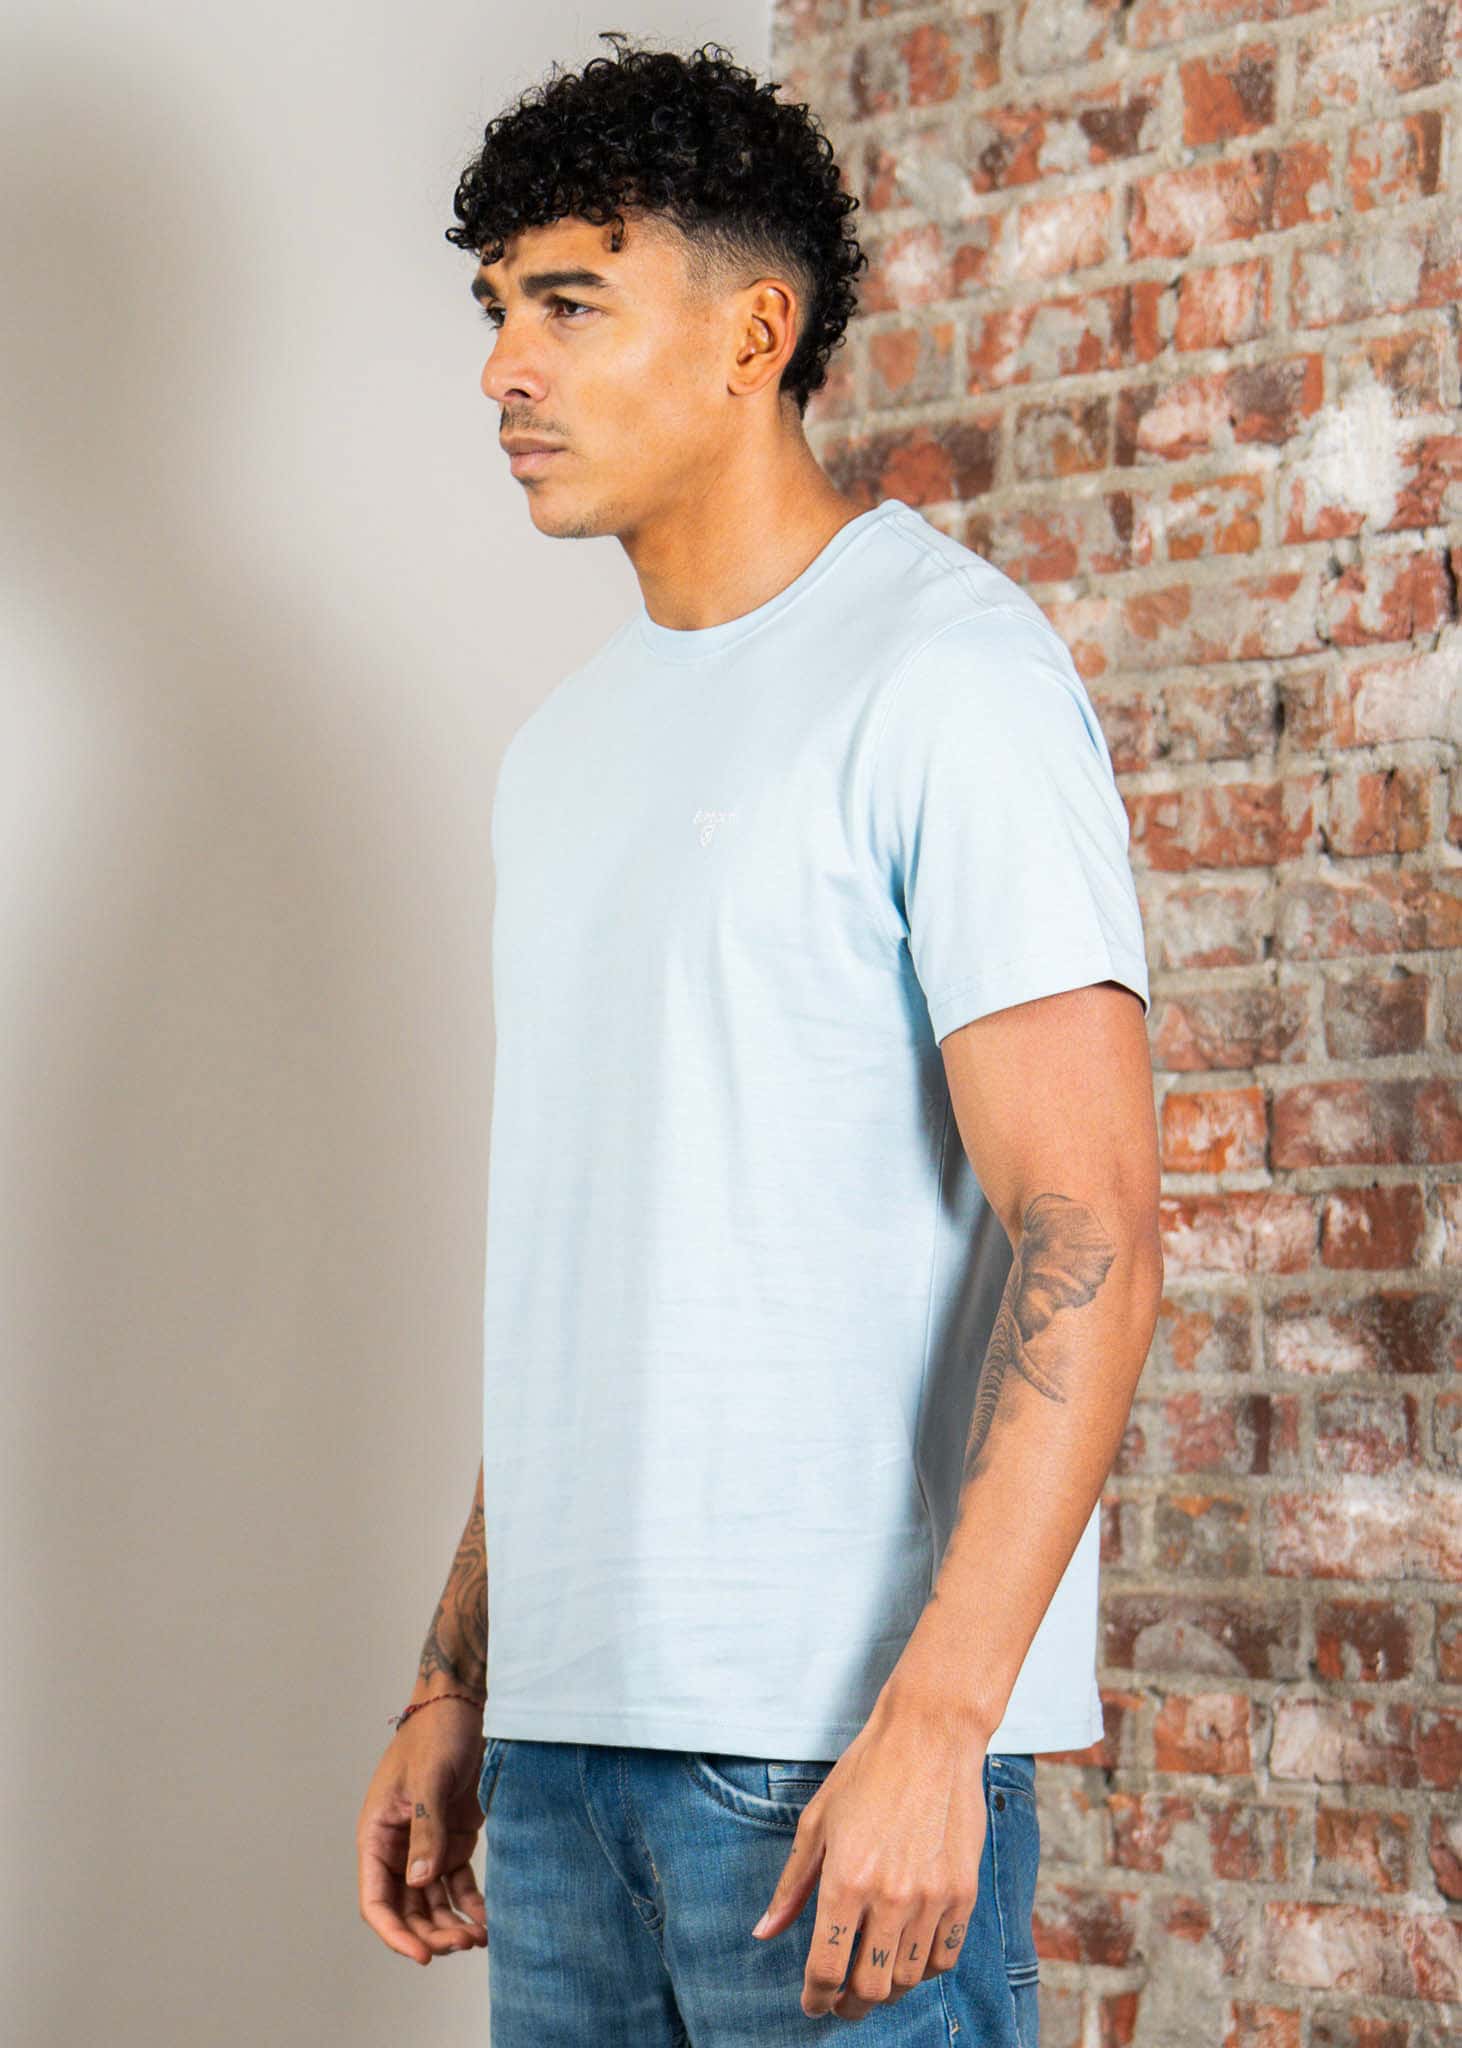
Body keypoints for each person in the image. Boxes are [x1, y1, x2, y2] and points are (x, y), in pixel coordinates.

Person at [356, 30, 1164, 2043]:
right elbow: (608, 1262)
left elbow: (1090, 1231)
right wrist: (464, 1673)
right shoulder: (562, 756)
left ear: (751, 336)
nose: (502, 371)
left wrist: (939, 1724)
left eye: (566, 305)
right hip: (564, 1763)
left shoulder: (944, 676)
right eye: (493, 311)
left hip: (828, 1761)